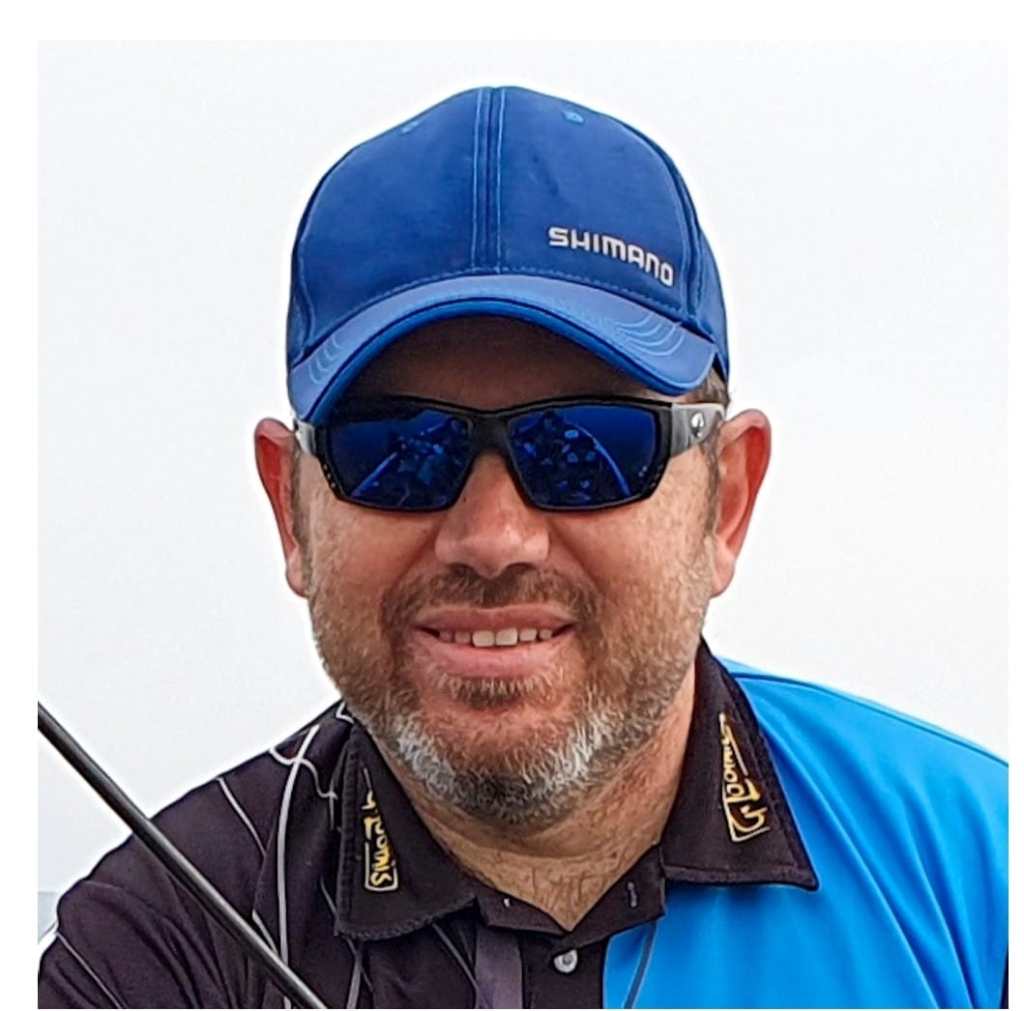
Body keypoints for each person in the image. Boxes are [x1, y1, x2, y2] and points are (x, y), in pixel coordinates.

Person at [39, 85, 1006, 1010]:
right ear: (292, 511)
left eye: (586, 449)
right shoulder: (152, 949)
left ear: (726, 501)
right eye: (399, 452)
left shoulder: (982, 876)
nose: (493, 538)